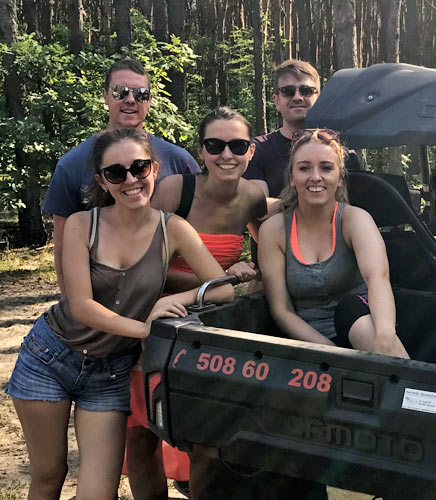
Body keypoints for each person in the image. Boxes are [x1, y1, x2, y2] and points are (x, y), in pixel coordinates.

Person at [6, 128, 233, 500]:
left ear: (154, 169)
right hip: (50, 357)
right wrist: (146, 329)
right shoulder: (83, 224)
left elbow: (222, 288)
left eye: (139, 167)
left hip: (109, 371)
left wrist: (175, 300)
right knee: (49, 475)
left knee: (98, 493)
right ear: (102, 180)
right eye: (116, 172)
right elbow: (82, 305)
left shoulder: (173, 228)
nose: (131, 179)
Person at [122, 107, 267, 499]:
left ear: (251, 150)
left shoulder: (255, 195)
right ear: (200, 151)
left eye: (237, 145)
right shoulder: (174, 191)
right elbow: (142, 267)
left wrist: (251, 267)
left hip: (217, 330)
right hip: (157, 320)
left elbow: (271, 248)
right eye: (215, 145)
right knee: (142, 434)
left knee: (209, 440)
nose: (227, 155)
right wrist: (215, 282)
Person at [43, 59, 200, 295]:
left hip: (173, 304)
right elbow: (63, 248)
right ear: (105, 96)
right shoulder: (71, 165)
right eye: (120, 91)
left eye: (141, 93)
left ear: (150, 100)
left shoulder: (180, 161)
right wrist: (73, 309)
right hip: (101, 304)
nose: (130, 99)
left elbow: (204, 230)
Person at [259, 128, 409, 357]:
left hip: (366, 331)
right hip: (312, 343)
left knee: (356, 318)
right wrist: (331, 353)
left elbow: (378, 278)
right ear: (292, 177)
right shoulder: (274, 230)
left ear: (339, 177)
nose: (315, 177)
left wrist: (386, 335)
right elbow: (281, 310)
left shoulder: (354, 219)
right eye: (305, 168)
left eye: (326, 168)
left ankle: (406, 384)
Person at [244, 59, 320, 208]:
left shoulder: (337, 147)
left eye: (306, 90)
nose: (297, 97)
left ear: (318, 97)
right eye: (288, 91)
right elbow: (258, 208)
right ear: (276, 100)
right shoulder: (256, 150)